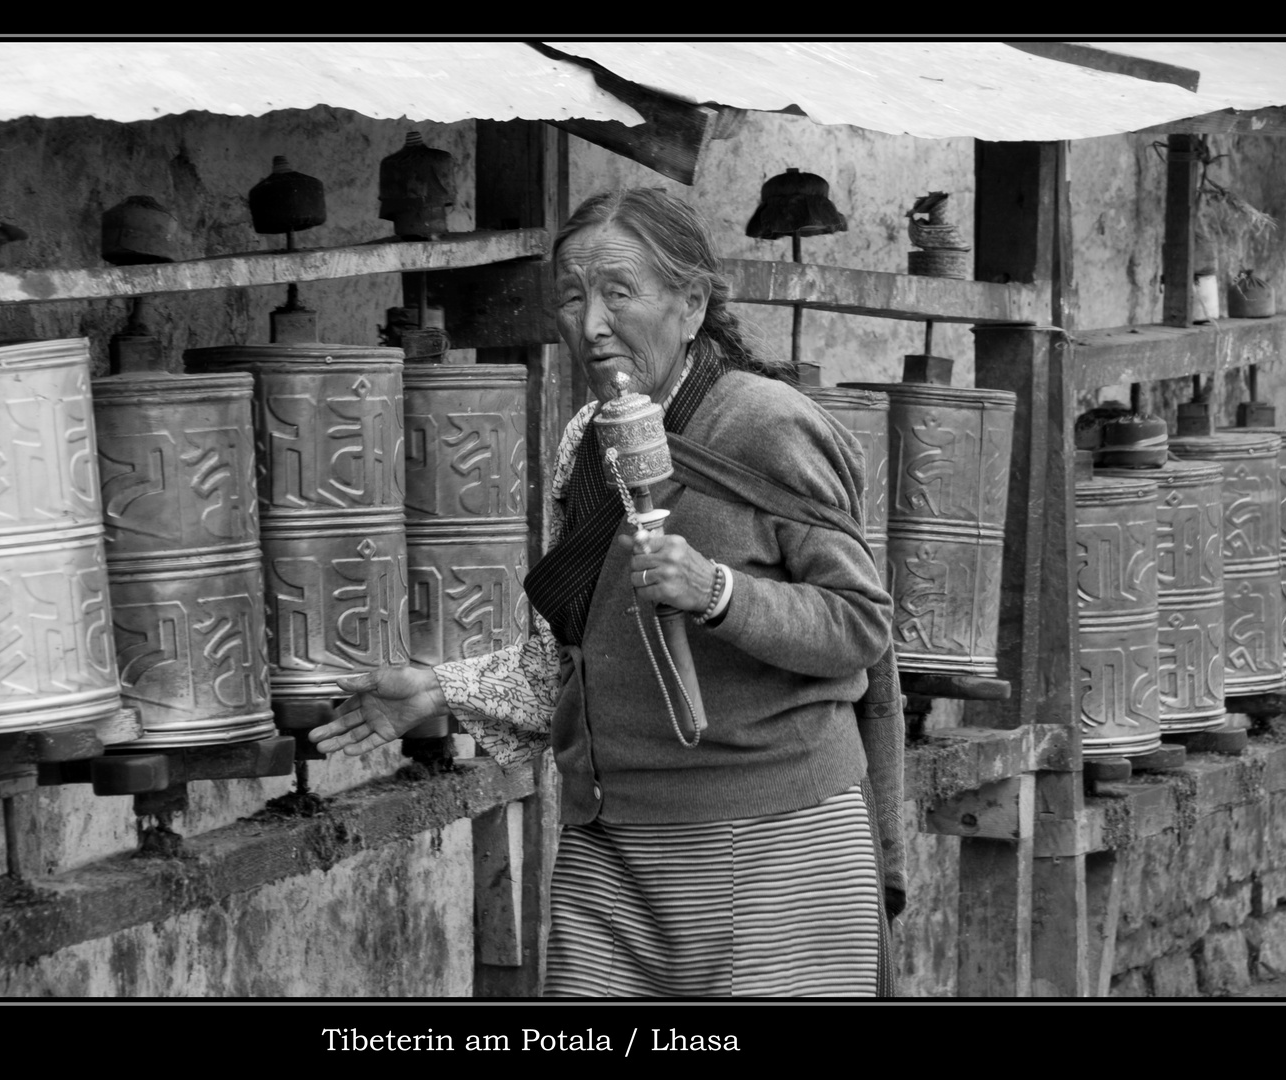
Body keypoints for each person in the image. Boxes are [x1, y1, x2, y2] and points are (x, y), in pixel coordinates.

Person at [311, 188, 905, 998]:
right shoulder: (584, 444)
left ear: (692, 302)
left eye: (618, 293)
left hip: (774, 849)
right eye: (571, 295)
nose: (590, 322)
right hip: (610, 854)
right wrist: (437, 691)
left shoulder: (768, 426)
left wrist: (716, 591)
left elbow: (860, 626)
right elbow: (580, 660)